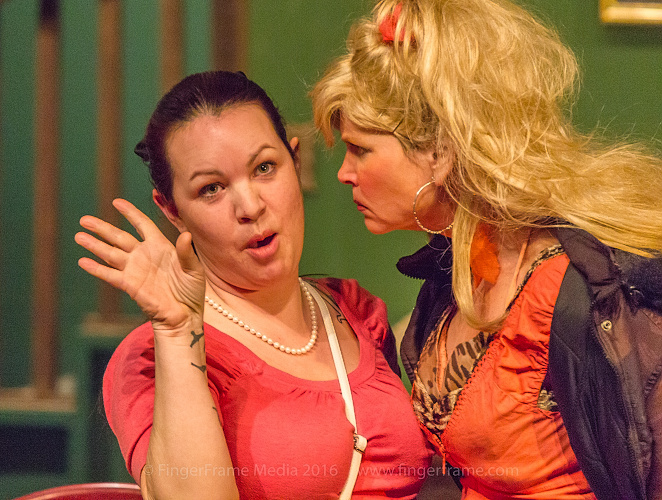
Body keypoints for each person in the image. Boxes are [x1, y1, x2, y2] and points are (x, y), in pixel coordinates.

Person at [311, 0, 662, 498]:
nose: (345, 173)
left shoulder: (579, 289)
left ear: (439, 152)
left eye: (360, 149)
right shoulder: (453, 273)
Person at [75, 70, 432, 500]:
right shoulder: (152, 357)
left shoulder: (354, 310)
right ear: (171, 211)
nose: (249, 206)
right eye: (211, 189)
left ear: (295, 162)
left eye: (264, 168)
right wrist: (177, 331)